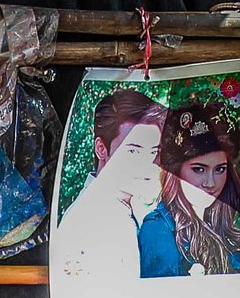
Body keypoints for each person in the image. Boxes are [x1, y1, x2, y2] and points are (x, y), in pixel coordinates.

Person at [54, 87, 168, 283]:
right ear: (101, 149)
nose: (146, 165)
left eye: (153, 153)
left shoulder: (128, 207)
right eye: (132, 151)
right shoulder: (91, 220)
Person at [139, 99, 240, 278]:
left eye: (220, 169)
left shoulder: (229, 222)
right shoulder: (158, 229)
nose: (210, 183)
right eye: (199, 169)